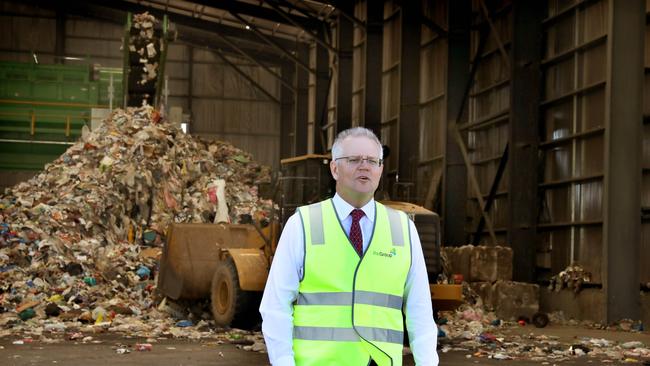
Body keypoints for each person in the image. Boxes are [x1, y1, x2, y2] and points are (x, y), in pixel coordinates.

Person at [260, 127, 439, 366]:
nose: (364, 166)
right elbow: (275, 306)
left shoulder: (403, 229)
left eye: (372, 161)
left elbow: (421, 312)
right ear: (334, 168)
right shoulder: (303, 224)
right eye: (354, 160)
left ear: (380, 169)